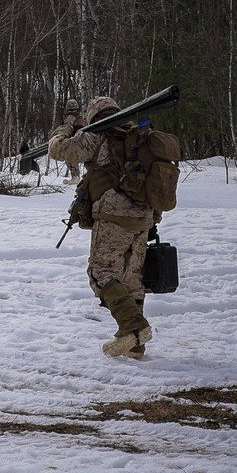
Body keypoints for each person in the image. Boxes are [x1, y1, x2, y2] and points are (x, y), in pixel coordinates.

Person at [48, 95, 155, 359]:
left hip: (113, 214)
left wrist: (67, 127)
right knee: (131, 278)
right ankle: (136, 344)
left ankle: (133, 327)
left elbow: (57, 149)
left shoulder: (96, 134)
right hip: (145, 214)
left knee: (100, 272)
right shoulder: (138, 134)